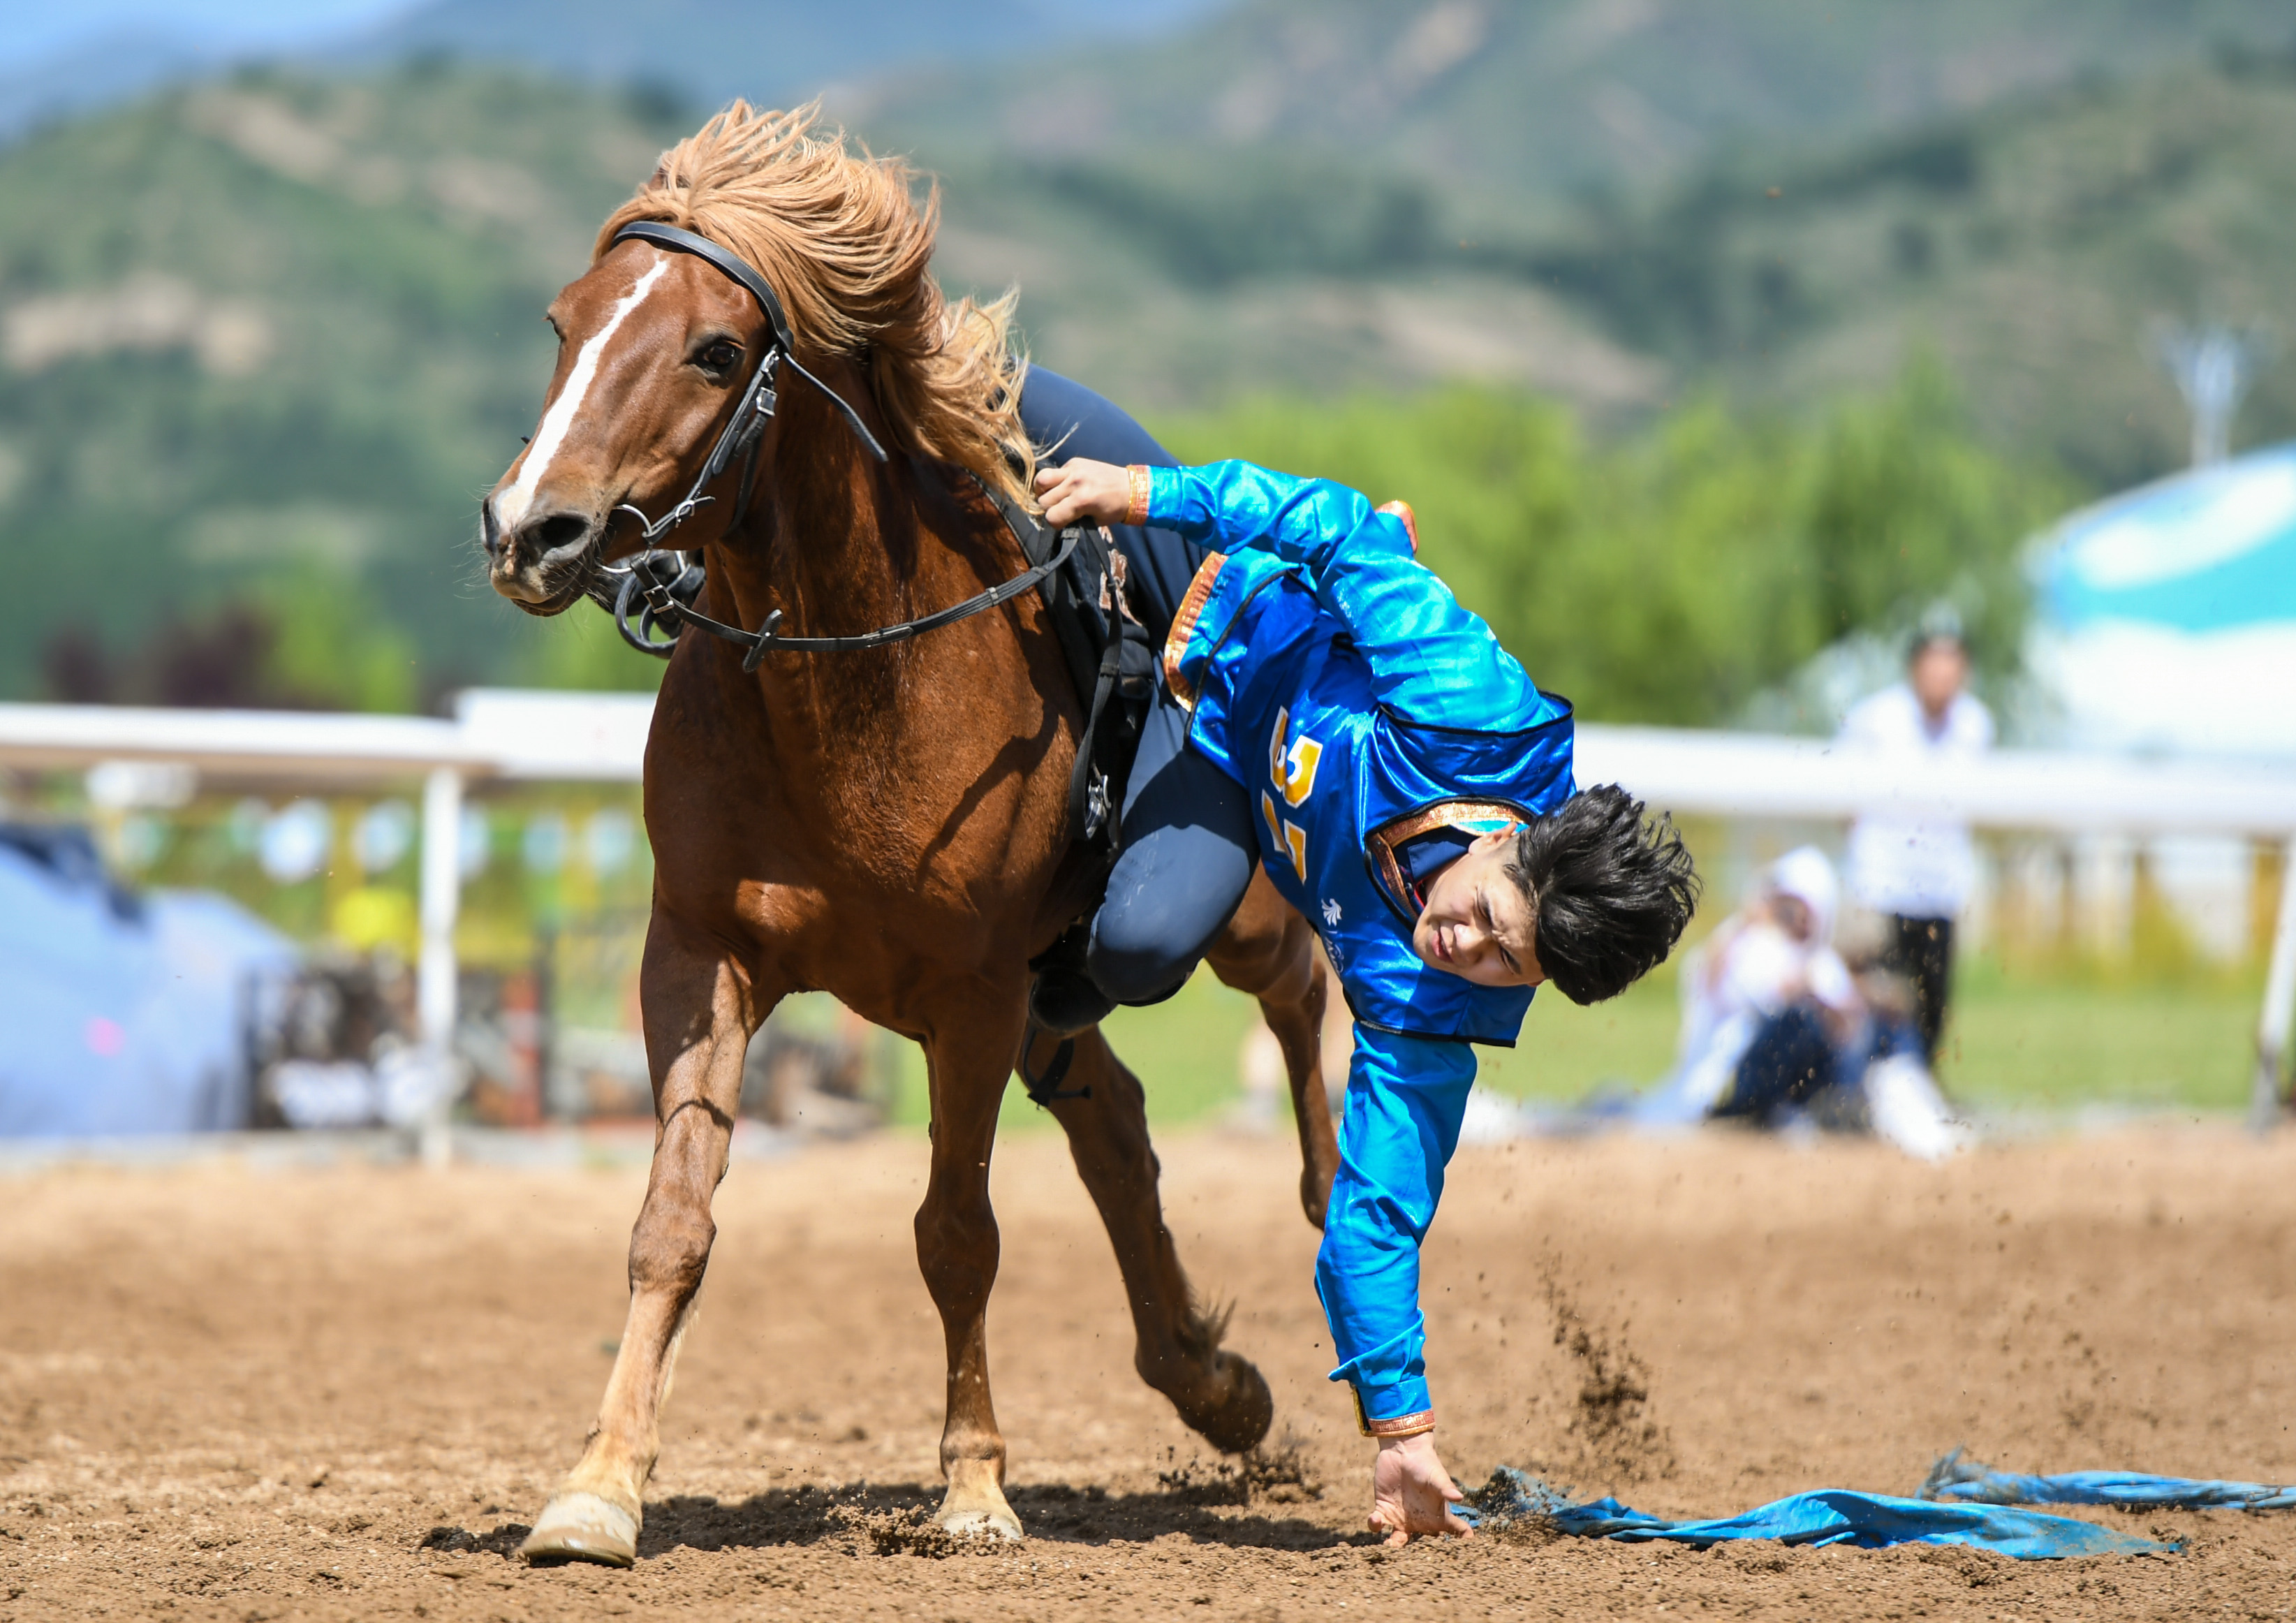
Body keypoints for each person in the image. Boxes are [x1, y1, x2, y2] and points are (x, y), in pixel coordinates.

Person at [1031, 455, 1700, 1544]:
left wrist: (1402, 1430)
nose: (1465, 947)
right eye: (1488, 918)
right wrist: (1142, 494)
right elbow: (1331, 525)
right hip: (1223, 578)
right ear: (1506, 841)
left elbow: (1374, 1218)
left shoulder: (1432, 1016)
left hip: (1218, 754)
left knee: (1133, 955)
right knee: (1026, 411)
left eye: (1503, 968)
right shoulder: (1470, 709)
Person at [1641, 846, 1961, 1160]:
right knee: (1802, 1018)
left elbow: (1852, 1015)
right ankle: (1800, 1108)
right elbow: (1765, 992)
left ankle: (1887, 1100)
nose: (1797, 917)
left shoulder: (1818, 959)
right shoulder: (1751, 943)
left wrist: (1866, 1000)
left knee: (1885, 1024)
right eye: (1789, 904)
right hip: (1742, 1077)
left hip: (1811, 1074)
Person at [1839, 628, 1994, 1066]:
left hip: (1940, 885)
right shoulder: (1876, 718)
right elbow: (1842, 794)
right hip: (1881, 882)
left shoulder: (1974, 724)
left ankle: (1920, 1084)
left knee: (1933, 996)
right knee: (1877, 992)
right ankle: (1865, 1085)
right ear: (1915, 669)